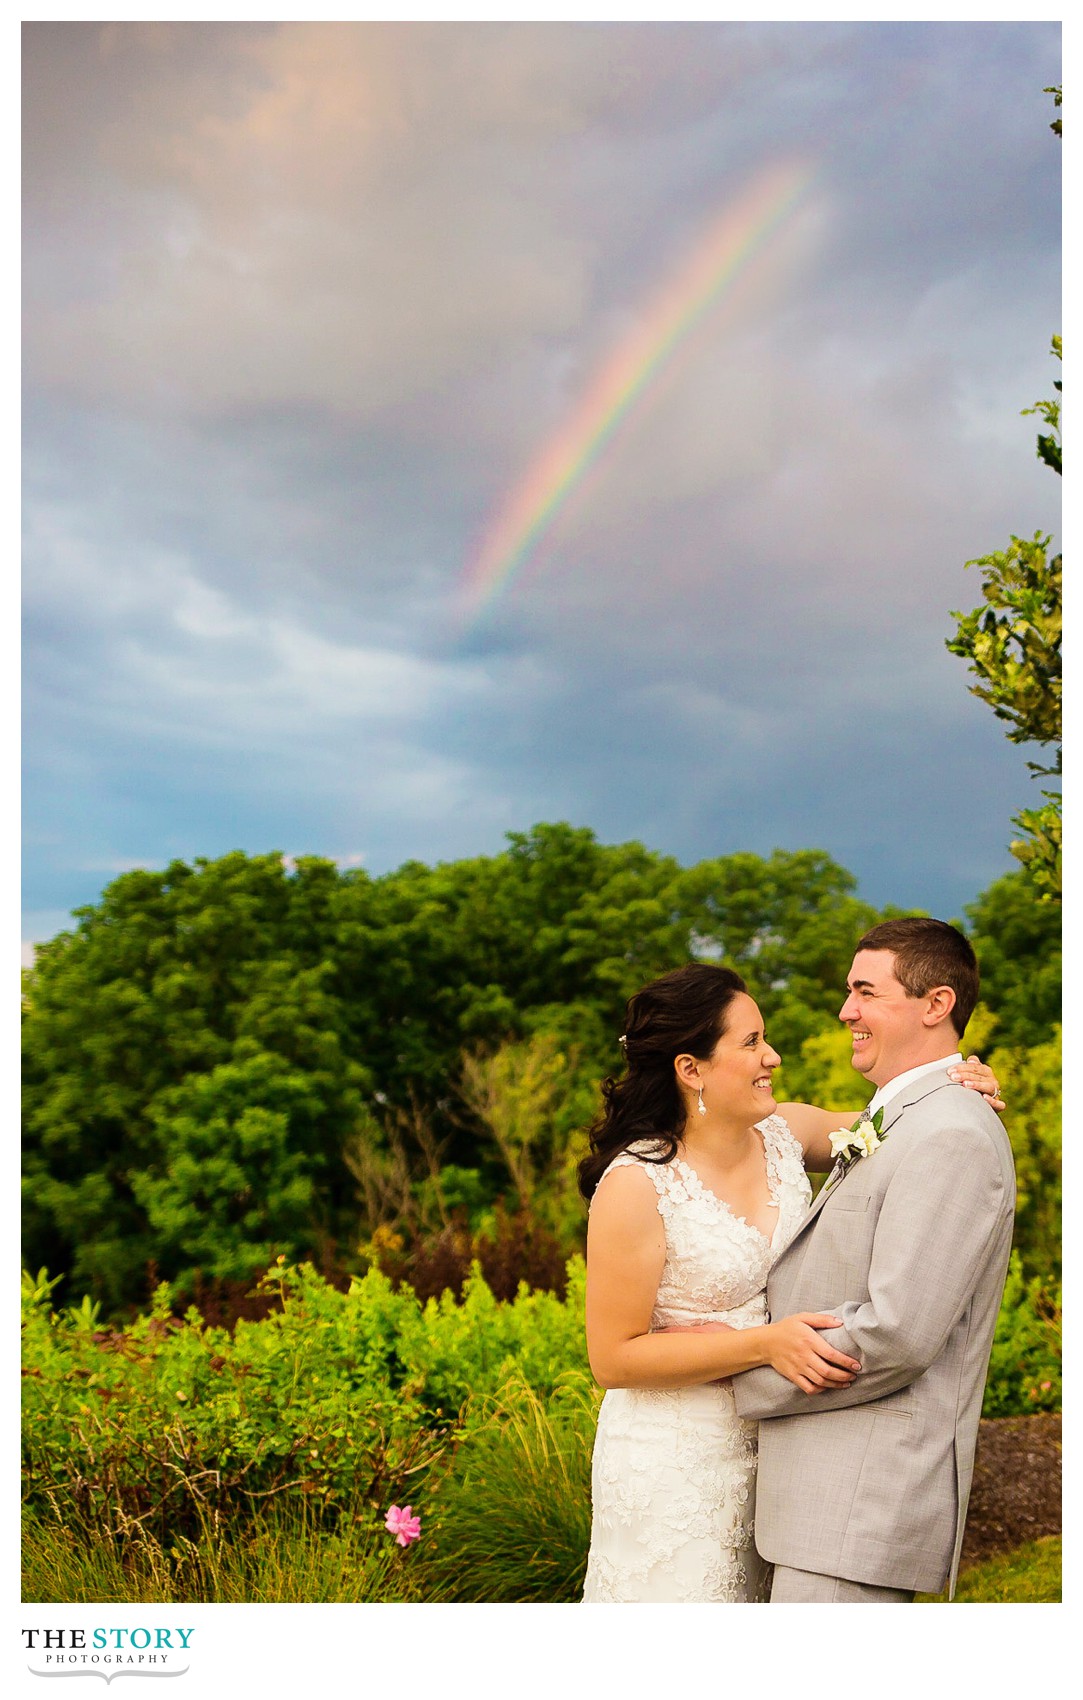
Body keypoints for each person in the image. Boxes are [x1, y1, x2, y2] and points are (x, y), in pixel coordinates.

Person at [578, 957, 1004, 1603]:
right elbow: (612, 1358)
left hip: (785, 1441)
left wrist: (957, 1079)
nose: (771, 1057)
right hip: (673, 1457)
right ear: (689, 1069)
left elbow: (915, 1126)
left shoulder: (787, 1134)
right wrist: (759, 1345)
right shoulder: (637, 1185)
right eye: (750, 1043)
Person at [731, 917, 1016, 1602]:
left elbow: (897, 1332)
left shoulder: (950, 1131)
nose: (844, 1011)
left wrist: (737, 1371)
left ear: (935, 1004)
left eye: (864, 992)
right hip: (817, 1510)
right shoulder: (896, 1119)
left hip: (857, 1509)